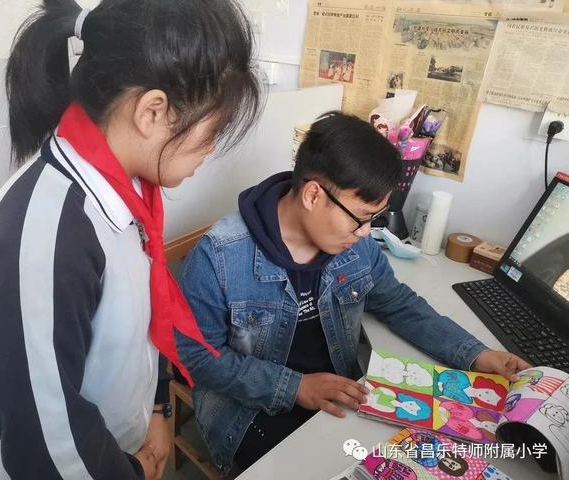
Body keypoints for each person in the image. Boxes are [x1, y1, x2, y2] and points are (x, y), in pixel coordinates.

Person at [0, 0, 260, 479]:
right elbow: (44, 443)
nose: (212, 149)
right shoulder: (48, 240)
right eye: (212, 131)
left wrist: (157, 408)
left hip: (118, 444)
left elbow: (140, 313)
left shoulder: (126, 186)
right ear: (152, 111)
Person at [176, 112, 530, 474]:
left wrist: (476, 354)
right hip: (248, 411)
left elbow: (399, 304)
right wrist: (295, 387)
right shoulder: (218, 256)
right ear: (313, 194)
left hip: (340, 392)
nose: (365, 232)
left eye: (374, 218)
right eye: (360, 218)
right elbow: (199, 358)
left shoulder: (354, 245)